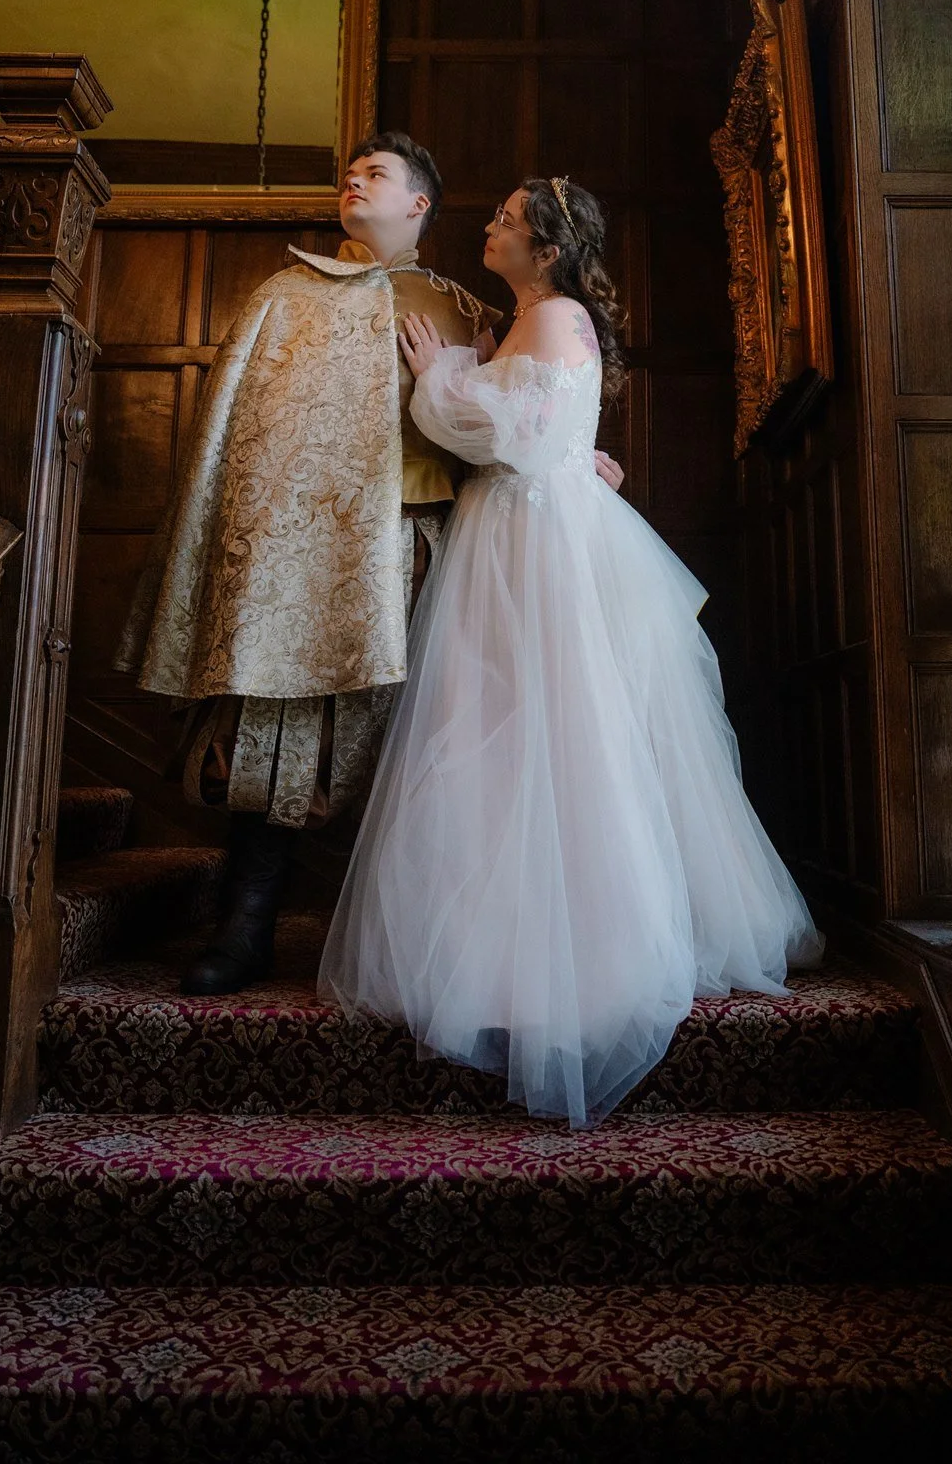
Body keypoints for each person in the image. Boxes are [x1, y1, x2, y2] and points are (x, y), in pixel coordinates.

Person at [318, 176, 824, 1126]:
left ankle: (576, 958)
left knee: (548, 736)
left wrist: (437, 379)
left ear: (545, 249)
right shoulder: (539, 319)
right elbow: (547, 432)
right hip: (526, 530)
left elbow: (506, 436)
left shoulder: (551, 318)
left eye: (508, 218)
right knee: (509, 738)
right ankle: (504, 950)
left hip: (529, 542)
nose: (493, 223)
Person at [116, 133, 503, 995]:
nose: (352, 183)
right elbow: (243, 438)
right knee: (279, 736)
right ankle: (245, 928)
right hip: (301, 556)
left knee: (418, 737)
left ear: (419, 204)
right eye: (348, 174)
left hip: (418, 545)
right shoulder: (287, 295)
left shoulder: (467, 310)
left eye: (377, 175)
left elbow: (494, 432)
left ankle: (413, 945)